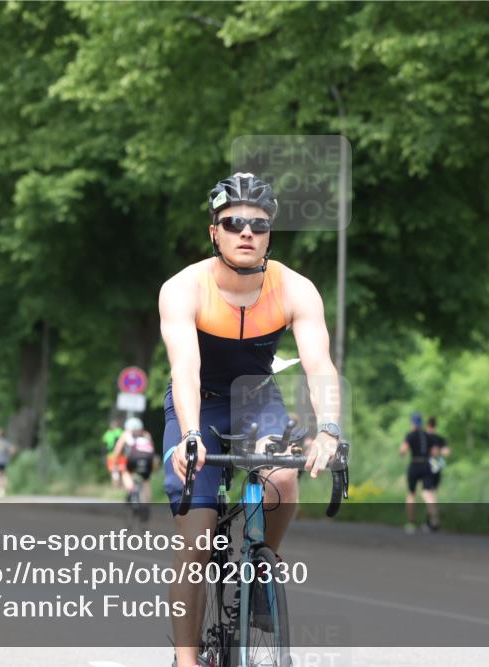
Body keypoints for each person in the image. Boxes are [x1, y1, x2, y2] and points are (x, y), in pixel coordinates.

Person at [159, 173, 342, 667]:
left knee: (283, 474)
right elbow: (185, 369)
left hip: (258, 399)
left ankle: (263, 565)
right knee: (197, 541)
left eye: (257, 225)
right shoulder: (183, 288)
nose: (246, 232)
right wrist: (191, 434)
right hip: (200, 399)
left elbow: (319, 365)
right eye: (233, 222)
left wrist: (328, 428)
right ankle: (185, 660)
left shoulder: (295, 288)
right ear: (213, 231)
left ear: (269, 234)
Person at [112, 417, 157, 503]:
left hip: (133, 458)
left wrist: (115, 464)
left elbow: (117, 451)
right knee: (145, 480)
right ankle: (147, 506)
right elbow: (152, 450)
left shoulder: (126, 433)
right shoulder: (146, 434)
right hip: (148, 458)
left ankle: (131, 490)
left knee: (125, 471)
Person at [400, 412, 430, 534]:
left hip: (415, 464)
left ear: (412, 422)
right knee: (428, 494)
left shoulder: (410, 435)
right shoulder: (427, 435)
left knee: (411, 494)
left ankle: (411, 523)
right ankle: (430, 523)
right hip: (426, 465)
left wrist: (402, 453)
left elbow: (403, 450)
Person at [102, 419, 124, 483]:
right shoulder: (107, 433)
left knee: (120, 469)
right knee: (113, 470)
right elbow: (104, 443)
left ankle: (120, 484)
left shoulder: (119, 431)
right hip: (111, 454)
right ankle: (115, 485)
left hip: (119, 454)